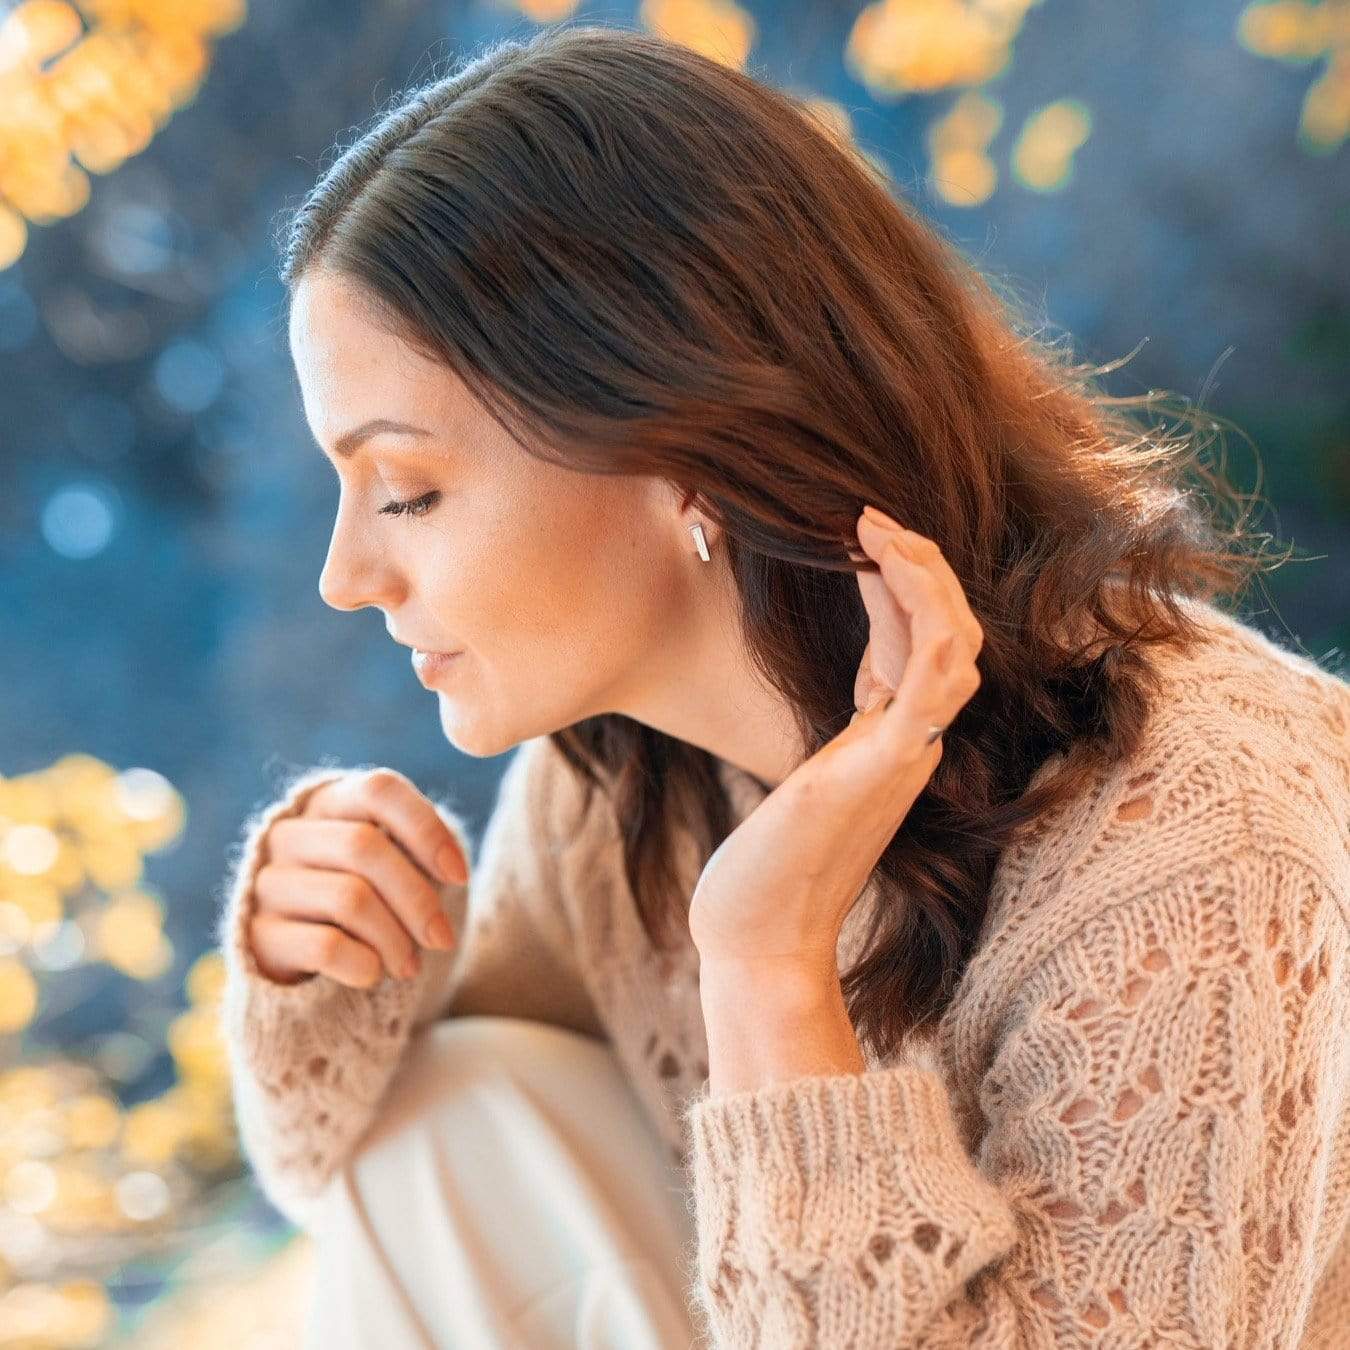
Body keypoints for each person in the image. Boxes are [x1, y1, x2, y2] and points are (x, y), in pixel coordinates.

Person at [215, 22, 1350, 1349]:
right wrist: (328, 967)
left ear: (680, 444)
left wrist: (766, 968)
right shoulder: (620, 786)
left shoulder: (1199, 840)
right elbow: (378, 1194)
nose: (346, 575)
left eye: (407, 489)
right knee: (456, 1098)